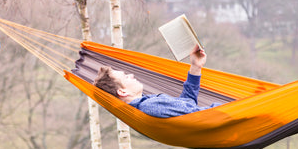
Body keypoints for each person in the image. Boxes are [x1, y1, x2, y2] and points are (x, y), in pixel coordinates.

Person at [93, 45, 221, 118]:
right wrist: (237, 108)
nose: (131, 75)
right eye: (126, 77)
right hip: (225, 121)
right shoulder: (151, 106)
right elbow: (198, 115)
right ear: (122, 91)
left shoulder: (144, 106)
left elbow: (188, 105)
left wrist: (195, 67)